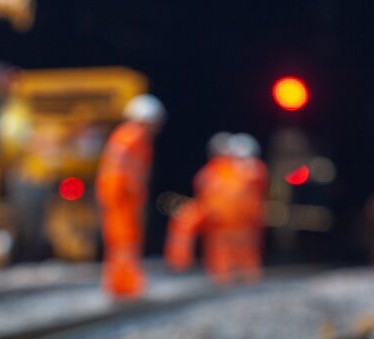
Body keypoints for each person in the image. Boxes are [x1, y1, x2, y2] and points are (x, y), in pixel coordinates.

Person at [166, 133, 268, 284]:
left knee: (239, 250)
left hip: (238, 219)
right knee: (224, 250)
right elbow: (203, 187)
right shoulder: (220, 170)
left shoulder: (248, 170)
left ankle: (239, 275)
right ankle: (183, 264)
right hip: (222, 218)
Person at [95, 94, 165, 298]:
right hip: (121, 198)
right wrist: (129, 193)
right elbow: (122, 171)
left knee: (123, 242)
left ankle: (121, 283)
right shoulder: (131, 137)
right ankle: (125, 284)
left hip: (122, 197)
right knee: (124, 241)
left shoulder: (131, 137)